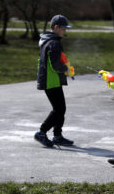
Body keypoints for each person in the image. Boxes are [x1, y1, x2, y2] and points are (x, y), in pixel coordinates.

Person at [34, 14, 74, 147]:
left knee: (60, 109)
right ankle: (41, 132)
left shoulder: (48, 40)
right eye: (63, 28)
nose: (65, 31)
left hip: (51, 80)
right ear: (56, 27)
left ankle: (57, 135)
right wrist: (66, 70)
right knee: (59, 109)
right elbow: (55, 64)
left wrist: (66, 67)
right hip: (51, 81)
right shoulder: (54, 43)